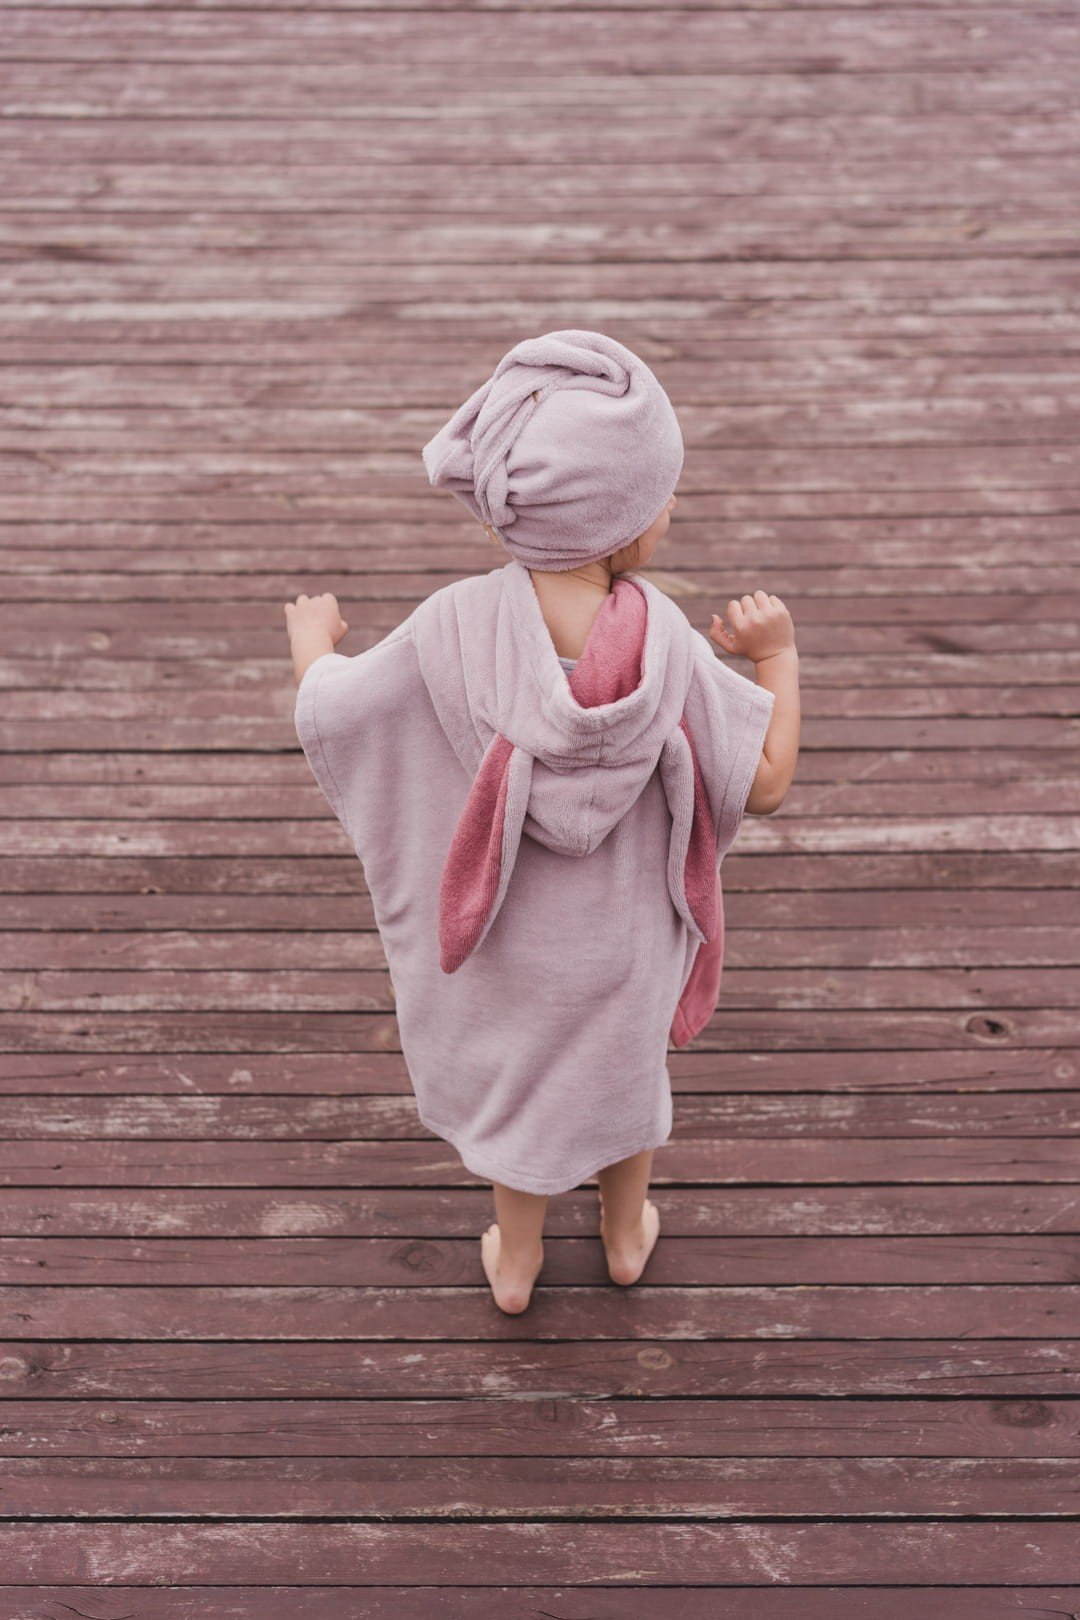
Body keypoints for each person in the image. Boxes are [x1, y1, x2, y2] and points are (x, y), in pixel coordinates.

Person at [284, 329, 800, 1316]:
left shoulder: (453, 627)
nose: (671, 509)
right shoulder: (670, 649)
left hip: (510, 939)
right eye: (659, 498)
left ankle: (515, 1264)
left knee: (526, 1099)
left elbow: (341, 714)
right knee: (621, 1082)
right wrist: (776, 659)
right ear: (621, 529)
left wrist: (316, 647)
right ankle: (623, 1239)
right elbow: (767, 780)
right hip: (625, 943)